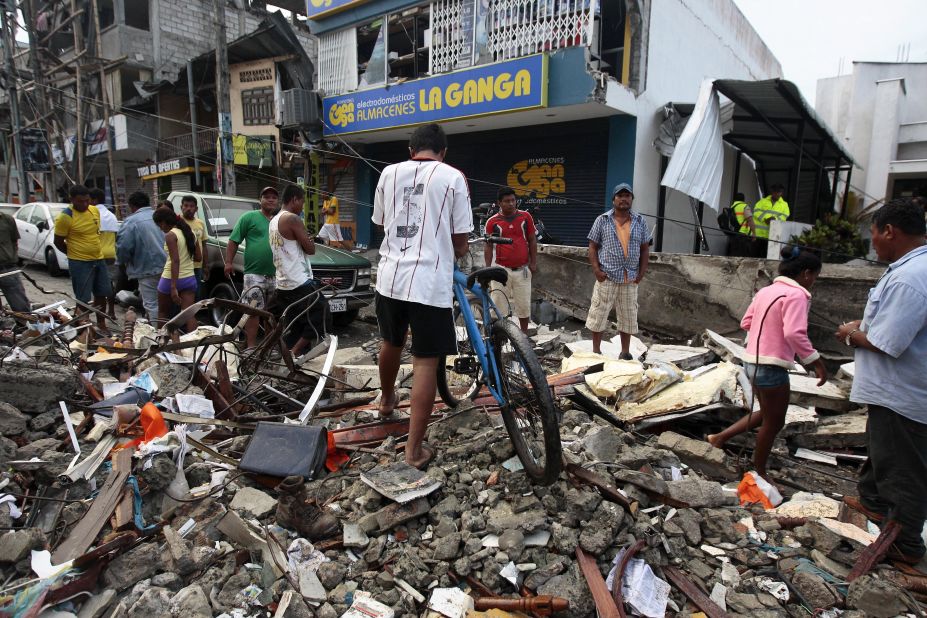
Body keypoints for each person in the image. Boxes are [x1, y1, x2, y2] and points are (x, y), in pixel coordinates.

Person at [373, 123, 473, 469]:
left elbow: (381, 221)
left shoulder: (388, 173)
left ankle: (386, 401)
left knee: (391, 341)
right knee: (426, 361)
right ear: (442, 152)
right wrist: (450, 246)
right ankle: (414, 451)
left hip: (390, 276)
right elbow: (460, 242)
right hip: (429, 281)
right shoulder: (453, 177)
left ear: (410, 149)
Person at [835, 197, 927, 565]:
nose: (872, 242)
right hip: (896, 391)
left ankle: (906, 548)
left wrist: (849, 334)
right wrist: (864, 327)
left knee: (902, 471)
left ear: (890, 231)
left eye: (873, 234)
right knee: (882, 454)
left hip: (901, 393)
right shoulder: (912, 269)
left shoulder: (909, 278)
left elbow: (886, 343)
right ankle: (873, 504)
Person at [708, 247, 828, 483]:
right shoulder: (798, 295)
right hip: (772, 366)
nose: (813, 281)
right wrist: (815, 361)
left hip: (751, 362)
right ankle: (758, 472)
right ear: (806, 273)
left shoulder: (766, 291)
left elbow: (746, 322)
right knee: (775, 422)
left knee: (765, 413)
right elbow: (794, 332)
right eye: (814, 276)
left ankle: (719, 438)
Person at [585, 183, 651, 360]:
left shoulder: (640, 221)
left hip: (630, 277)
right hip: (607, 276)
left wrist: (641, 273)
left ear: (632, 199)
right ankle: (596, 351)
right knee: (598, 313)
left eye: (627, 196)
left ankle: (625, 352)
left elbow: (645, 249)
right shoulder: (602, 220)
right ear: (613, 199)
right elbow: (592, 247)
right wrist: (597, 271)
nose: (624, 199)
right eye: (620, 195)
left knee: (628, 316)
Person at [270, 184, 327, 357]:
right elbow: (311, 249)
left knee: (298, 324)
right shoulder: (292, 219)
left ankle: (295, 355)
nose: (303, 206)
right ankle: (293, 353)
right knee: (321, 315)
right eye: (302, 201)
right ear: (294, 199)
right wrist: (308, 239)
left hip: (284, 282)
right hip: (298, 281)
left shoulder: (273, 220)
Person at [225, 186, 279, 349]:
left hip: (277, 275)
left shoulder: (280, 221)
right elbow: (233, 240)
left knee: (271, 314)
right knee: (253, 311)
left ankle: (269, 348)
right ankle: (251, 347)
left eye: (274, 197)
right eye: (266, 196)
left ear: (278, 201)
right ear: (260, 200)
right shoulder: (249, 217)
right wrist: (228, 262)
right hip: (254, 275)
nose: (270, 199)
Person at [54, 185, 111, 328]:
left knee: (102, 293)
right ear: (72, 199)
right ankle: (84, 326)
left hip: (98, 259)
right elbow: (58, 242)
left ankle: (102, 324)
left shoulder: (94, 210)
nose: (85, 204)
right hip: (79, 263)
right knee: (83, 298)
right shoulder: (65, 217)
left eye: (87, 200)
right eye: (80, 201)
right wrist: (74, 253)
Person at [484, 186, 537, 333]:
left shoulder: (526, 217)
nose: (511, 204)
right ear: (499, 203)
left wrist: (533, 263)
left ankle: (524, 336)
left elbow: (532, 240)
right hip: (500, 269)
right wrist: (488, 269)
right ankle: (499, 337)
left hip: (522, 270)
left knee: (524, 306)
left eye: (513, 200)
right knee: (498, 305)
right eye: (507, 201)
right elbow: (488, 246)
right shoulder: (492, 222)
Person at [117, 192, 166, 323]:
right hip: (169, 266)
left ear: (131, 206)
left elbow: (123, 247)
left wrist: (122, 262)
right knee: (166, 304)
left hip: (148, 269)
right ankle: (168, 332)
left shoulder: (131, 221)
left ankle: (157, 336)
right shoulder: (161, 216)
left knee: (152, 304)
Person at [152, 207, 200, 332]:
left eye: (159, 225)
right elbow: (198, 257)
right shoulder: (191, 233)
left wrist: (173, 287)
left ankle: (161, 345)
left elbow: (175, 260)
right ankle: (192, 346)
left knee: (163, 313)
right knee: (188, 314)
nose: (160, 228)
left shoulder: (170, 235)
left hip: (170, 279)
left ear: (163, 222)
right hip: (189, 278)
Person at [89, 188, 118, 320]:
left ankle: (100, 315)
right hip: (111, 254)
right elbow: (116, 236)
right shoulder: (111, 215)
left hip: (97, 255)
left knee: (98, 287)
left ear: (94, 200)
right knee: (110, 284)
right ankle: (111, 311)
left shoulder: (92, 215)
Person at [0, 209, 30, 312]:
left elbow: (14, 241)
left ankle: (26, 326)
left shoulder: (7, 219)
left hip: (7, 268)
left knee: (20, 306)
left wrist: (12, 258)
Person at [179, 195, 208, 299]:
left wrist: (205, 266)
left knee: (196, 294)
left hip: (197, 266)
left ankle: (193, 314)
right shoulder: (177, 222)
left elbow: (204, 245)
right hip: (181, 266)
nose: (188, 208)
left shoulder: (200, 223)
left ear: (196, 209)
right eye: (185, 205)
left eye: (191, 206)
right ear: (181, 207)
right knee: (181, 295)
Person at [752, 184, 790, 257]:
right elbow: (756, 211)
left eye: (780, 192)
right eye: (776, 192)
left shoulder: (784, 204)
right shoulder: (762, 201)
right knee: (755, 256)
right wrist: (766, 218)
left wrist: (774, 219)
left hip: (772, 236)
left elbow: (785, 216)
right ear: (772, 192)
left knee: (766, 257)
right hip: (758, 235)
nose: (778, 194)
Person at [726, 192, 756, 257]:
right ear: (743, 199)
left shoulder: (732, 207)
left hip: (735, 234)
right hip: (743, 235)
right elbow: (750, 220)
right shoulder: (744, 206)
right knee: (744, 254)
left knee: (735, 253)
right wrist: (754, 234)